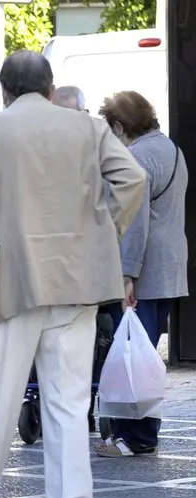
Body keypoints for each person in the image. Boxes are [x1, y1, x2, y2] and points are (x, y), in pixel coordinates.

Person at [0, 51, 146, 498]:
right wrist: (103, 232)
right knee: (69, 406)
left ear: (6, 90)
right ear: (51, 89)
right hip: (76, 282)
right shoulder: (90, 128)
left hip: (8, 283)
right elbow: (132, 179)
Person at [96, 91, 189, 458]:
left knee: (132, 355)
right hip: (168, 267)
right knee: (144, 353)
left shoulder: (134, 157)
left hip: (143, 270)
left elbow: (133, 222)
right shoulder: (172, 150)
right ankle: (141, 432)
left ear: (120, 126)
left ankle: (134, 437)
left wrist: (126, 273)